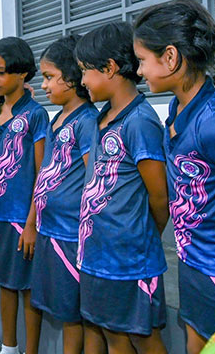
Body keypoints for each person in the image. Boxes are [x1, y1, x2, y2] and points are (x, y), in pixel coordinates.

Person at [133, 0, 215, 354]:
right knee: (195, 341)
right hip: (191, 266)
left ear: (170, 57)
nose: (139, 71)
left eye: (142, 60)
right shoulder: (177, 108)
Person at [74, 22, 168, 354]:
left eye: (86, 71)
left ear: (110, 68)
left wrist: (140, 238)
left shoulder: (140, 122)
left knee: (143, 337)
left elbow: (159, 198)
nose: (82, 80)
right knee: (113, 336)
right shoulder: (100, 118)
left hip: (129, 260)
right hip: (96, 255)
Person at [0, 37, 48, 354]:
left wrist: (32, 223)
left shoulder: (36, 115)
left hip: (24, 218)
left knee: (28, 287)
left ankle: (30, 349)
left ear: (22, 73)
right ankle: (9, 346)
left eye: (0, 72)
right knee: (5, 283)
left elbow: (42, 172)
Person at [29, 35, 98, 354]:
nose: (44, 85)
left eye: (49, 77)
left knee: (74, 316)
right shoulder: (58, 119)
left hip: (71, 235)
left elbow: (93, 181)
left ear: (72, 77)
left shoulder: (87, 122)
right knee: (62, 309)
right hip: (50, 232)